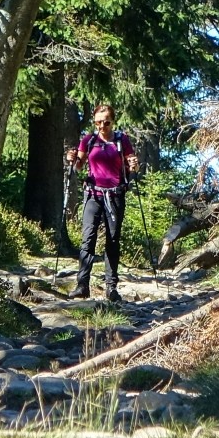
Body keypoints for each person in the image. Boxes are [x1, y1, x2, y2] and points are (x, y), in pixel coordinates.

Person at [71, 103, 138, 302]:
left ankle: (111, 287)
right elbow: (78, 167)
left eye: (106, 122)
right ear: (94, 121)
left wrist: (134, 166)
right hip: (93, 194)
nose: (102, 126)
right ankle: (82, 285)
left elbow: (131, 165)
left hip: (116, 195)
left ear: (112, 121)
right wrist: (72, 160)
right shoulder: (88, 140)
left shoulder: (121, 140)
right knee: (88, 237)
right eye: (98, 122)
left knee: (113, 240)